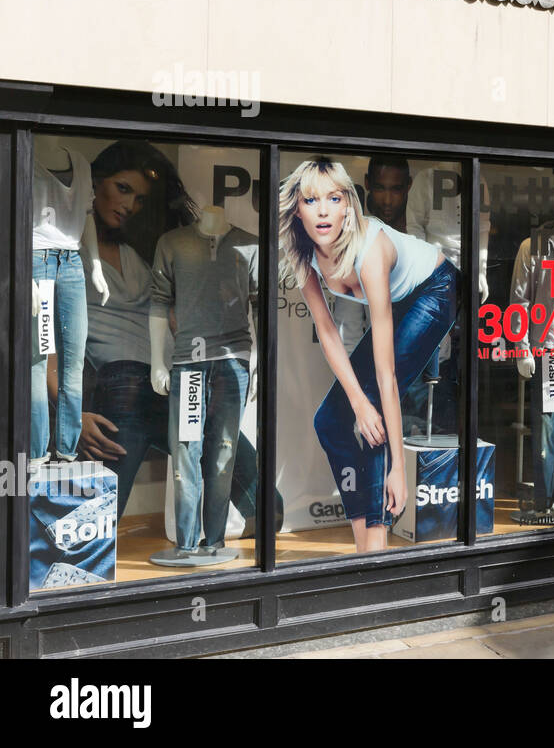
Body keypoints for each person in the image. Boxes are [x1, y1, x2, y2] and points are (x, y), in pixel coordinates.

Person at [75, 141, 276, 532]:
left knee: (269, 509)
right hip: (122, 388)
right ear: (95, 183)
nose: (129, 204)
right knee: (88, 537)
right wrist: (72, 415)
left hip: (179, 379)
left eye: (139, 197)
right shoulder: (67, 252)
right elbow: (42, 341)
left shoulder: (143, 249)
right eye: (122, 188)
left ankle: (218, 572)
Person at [279, 157, 458, 553]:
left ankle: (375, 555)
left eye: (334, 198)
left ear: (349, 205)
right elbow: (327, 332)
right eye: (311, 200)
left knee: (373, 411)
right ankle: (364, 542)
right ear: (297, 209)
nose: (323, 210)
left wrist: (398, 466)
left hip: (436, 288)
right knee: (330, 420)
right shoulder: (302, 253)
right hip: (403, 295)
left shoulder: (369, 249)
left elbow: (385, 373)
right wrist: (354, 401)